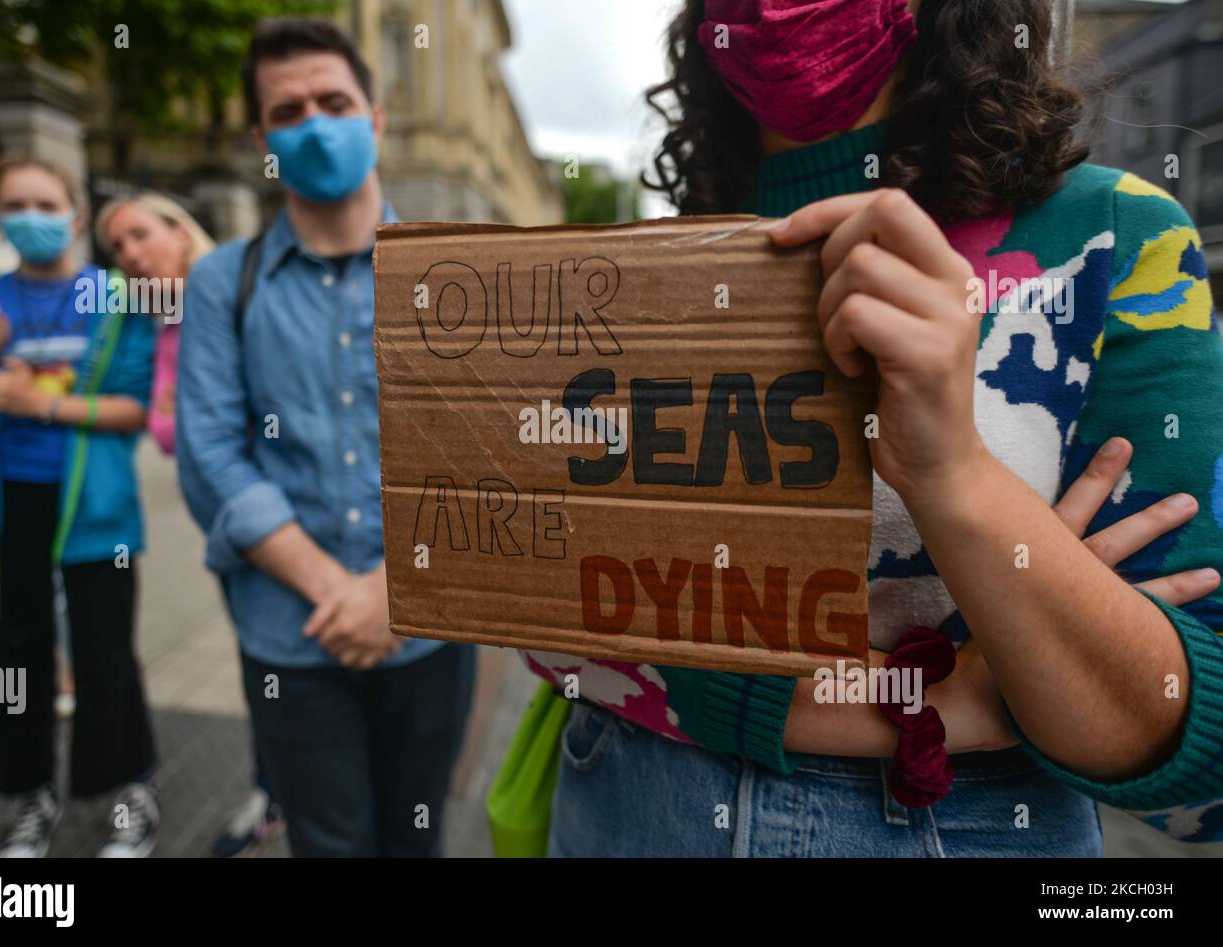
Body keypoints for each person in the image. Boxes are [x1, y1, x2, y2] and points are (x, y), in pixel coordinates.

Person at [522, 0, 1223, 856]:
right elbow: (539, 612)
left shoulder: (1119, 238)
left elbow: (1192, 765)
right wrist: (943, 695)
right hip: (618, 808)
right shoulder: (628, 275)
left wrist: (957, 478)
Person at [176, 17, 476, 858]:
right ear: (263, 139)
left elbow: (486, 447)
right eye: (289, 109)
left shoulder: (458, 269)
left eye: (334, 100)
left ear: (375, 119)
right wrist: (337, 592)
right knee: (329, 843)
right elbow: (208, 455)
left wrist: (397, 590)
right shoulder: (219, 282)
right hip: (290, 637)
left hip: (433, 632)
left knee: (416, 838)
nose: (314, 122)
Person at [0, 157, 159, 857]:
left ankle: (129, 794)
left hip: (94, 509)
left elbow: (135, 409)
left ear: (74, 214)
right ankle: (32, 796)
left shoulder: (120, 298)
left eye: (44, 201)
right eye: (15, 204)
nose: (31, 214)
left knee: (104, 653)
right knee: (14, 656)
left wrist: (43, 403)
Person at [97, 191, 285, 857]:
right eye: (116, 249)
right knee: (265, 669)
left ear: (182, 232)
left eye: (140, 235)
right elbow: (167, 427)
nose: (130, 256)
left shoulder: (245, 295)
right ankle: (273, 791)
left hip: (287, 520)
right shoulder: (151, 327)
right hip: (233, 535)